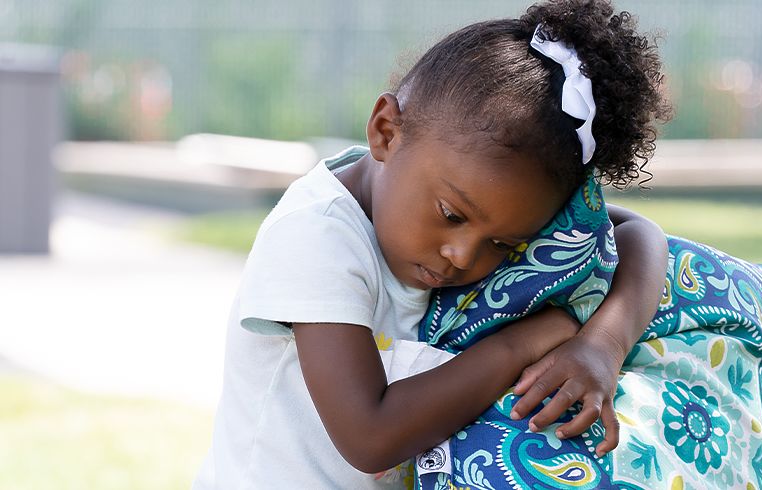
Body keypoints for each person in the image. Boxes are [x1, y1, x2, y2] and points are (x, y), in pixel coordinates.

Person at [192, 0, 672, 488]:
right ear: (386, 131)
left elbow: (641, 235)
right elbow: (370, 435)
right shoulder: (316, 236)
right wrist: (529, 340)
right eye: (451, 215)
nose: (464, 256)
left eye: (505, 245)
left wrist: (603, 345)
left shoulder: (452, 201)